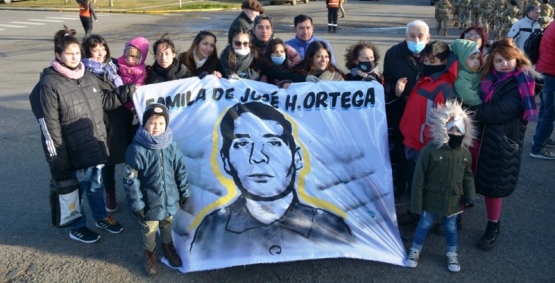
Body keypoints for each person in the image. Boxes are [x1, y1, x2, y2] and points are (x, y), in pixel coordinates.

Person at [189, 102, 352, 259]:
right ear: (226, 161)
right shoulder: (213, 228)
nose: (257, 157)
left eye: (273, 142)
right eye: (242, 144)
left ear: (297, 158)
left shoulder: (329, 226)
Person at [29, 31, 134, 243]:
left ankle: (101, 217)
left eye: (77, 52)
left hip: (94, 145)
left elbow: (103, 102)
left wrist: (129, 91)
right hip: (71, 150)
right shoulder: (49, 85)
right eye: (69, 53)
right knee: (73, 190)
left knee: (95, 185)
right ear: (58, 55)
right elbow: (49, 128)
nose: (75, 57)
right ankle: (77, 226)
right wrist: (58, 161)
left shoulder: (86, 76)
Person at [474, 38, 538, 250]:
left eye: (508, 59)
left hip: (502, 141)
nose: (504, 64)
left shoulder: (521, 82)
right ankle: (455, 215)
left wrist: (472, 112)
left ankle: (493, 224)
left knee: (494, 186)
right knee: (469, 179)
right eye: (499, 60)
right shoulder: (487, 78)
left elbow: (498, 112)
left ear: (517, 59)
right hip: (482, 138)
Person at [406, 100, 475, 272]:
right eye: (451, 129)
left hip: (453, 201)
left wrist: (469, 195)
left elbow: (467, 176)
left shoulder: (465, 153)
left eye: (459, 130)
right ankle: (415, 249)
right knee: (424, 224)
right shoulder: (430, 150)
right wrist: (416, 203)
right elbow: (419, 177)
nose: (455, 133)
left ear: (465, 131)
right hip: (431, 199)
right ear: (444, 128)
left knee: (451, 227)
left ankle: (452, 253)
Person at [124, 103, 191, 276]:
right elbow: (131, 180)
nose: (156, 127)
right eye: (152, 122)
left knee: (167, 223)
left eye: (161, 123)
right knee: (150, 229)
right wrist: (137, 204)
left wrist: (184, 191)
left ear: (166, 125)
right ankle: (150, 254)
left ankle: (168, 247)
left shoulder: (171, 145)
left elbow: (180, 169)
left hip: (169, 198)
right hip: (149, 202)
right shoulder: (137, 149)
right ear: (144, 123)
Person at [82, 35, 133, 213]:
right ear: (87, 52)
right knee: (108, 161)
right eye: (95, 50)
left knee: (131, 158)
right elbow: (104, 101)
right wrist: (130, 90)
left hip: (125, 119)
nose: (100, 53)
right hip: (105, 123)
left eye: (103, 48)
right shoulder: (87, 74)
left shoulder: (112, 67)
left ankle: (133, 192)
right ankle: (109, 193)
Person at [400, 41, 458, 193]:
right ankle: (414, 210)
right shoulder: (424, 79)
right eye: (425, 60)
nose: (427, 64)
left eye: (433, 61)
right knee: (413, 180)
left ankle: (417, 214)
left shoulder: (444, 88)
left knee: (420, 184)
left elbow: (443, 122)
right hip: (412, 140)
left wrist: (426, 137)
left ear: (445, 61)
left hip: (424, 145)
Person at [382, 20, 429, 201]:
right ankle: (401, 191)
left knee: (424, 154)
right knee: (402, 153)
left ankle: (421, 193)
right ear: (405, 36)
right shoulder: (393, 54)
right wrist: (396, 92)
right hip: (401, 111)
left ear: (428, 38)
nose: (416, 40)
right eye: (412, 36)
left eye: (420, 36)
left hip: (426, 113)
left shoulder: (435, 53)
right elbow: (388, 82)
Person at [530, 22, 555, 159]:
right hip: (551, 73)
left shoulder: (552, 24)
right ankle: (538, 148)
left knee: (546, 109)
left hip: (545, 70)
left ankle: (539, 138)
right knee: (550, 114)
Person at [117, 36, 149, 122]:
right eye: (131, 56)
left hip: (132, 92)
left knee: (133, 106)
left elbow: (140, 80)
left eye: (137, 57)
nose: (134, 59)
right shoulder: (120, 64)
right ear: (125, 55)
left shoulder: (140, 69)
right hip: (121, 91)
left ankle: (135, 115)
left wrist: (136, 87)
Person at [451, 39, 482, 107]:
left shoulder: (474, 71)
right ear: (461, 59)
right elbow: (467, 95)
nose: (476, 61)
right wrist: (480, 104)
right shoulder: (461, 75)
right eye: (472, 58)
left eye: (478, 58)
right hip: (473, 106)